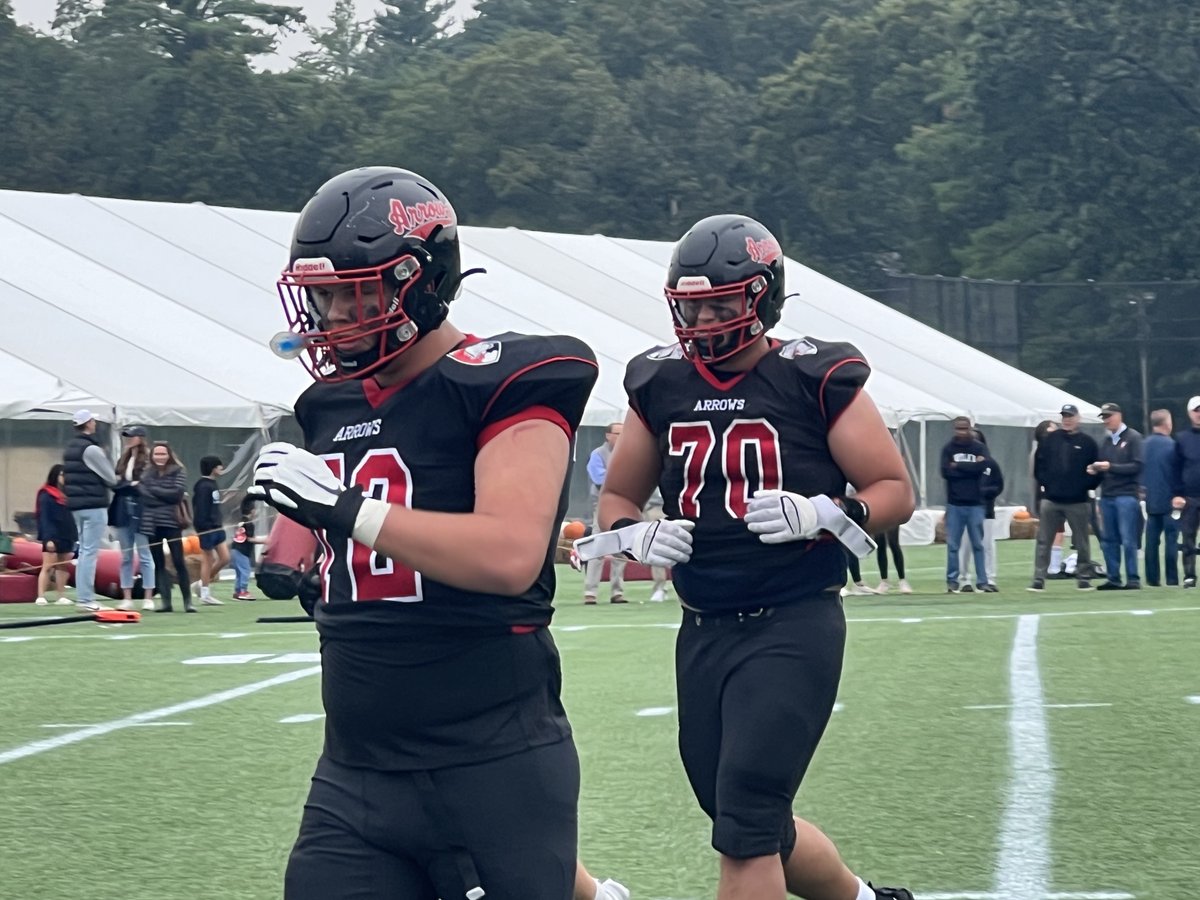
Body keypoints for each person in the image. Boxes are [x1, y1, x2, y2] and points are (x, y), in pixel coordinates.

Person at [247, 166, 604, 900]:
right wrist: (308, 560)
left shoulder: (507, 376)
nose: (337, 313)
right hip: (355, 768)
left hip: (488, 764)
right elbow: (355, 550)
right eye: (324, 294)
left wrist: (347, 512)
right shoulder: (327, 402)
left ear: (423, 280)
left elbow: (510, 555)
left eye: (359, 290)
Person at [587, 214, 914, 900]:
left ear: (762, 298)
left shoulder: (812, 374)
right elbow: (617, 496)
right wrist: (634, 533)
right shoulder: (658, 381)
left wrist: (828, 512)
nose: (703, 319)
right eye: (693, 303)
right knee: (743, 815)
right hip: (702, 624)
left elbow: (893, 491)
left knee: (745, 820)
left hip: (791, 620)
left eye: (720, 303)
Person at [1030, 404, 1098, 591]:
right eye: (1064, 416)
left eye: (1070, 416)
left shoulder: (1087, 442)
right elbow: (1039, 466)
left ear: (1078, 418)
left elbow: (1096, 469)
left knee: (1082, 541)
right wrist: (1048, 485)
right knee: (1044, 540)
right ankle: (1039, 577)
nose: (1067, 419)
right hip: (1052, 499)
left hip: (1078, 500)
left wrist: (1086, 486)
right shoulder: (1050, 440)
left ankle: (1083, 576)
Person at [62, 409, 119, 610]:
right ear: (89, 423)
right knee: (89, 552)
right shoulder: (91, 449)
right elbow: (111, 477)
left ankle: (83, 597)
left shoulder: (70, 448)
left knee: (84, 551)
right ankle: (86, 599)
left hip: (77, 506)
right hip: (93, 504)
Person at [1090, 402, 1143, 589]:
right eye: (1104, 417)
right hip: (1108, 495)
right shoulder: (1105, 441)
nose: (1106, 421)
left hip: (1126, 495)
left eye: (1109, 416)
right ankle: (1113, 577)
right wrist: (1095, 469)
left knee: (1128, 539)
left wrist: (1110, 467)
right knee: (1108, 539)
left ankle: (1133, 578)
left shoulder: (1134, 437)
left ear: (1119, 415)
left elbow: (1137, 466)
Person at [139, 441, 194, 613]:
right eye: (157, 454)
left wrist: (155, 491)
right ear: (152, 456)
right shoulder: (146, 473)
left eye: (163, 454)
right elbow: (143, 495)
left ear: (169, 455)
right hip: (151, 522)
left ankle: (188, 602)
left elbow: (176, 494)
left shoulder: (179, 471)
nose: (160, 457)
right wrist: (163, 494)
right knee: (158, 563)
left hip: (172, 521)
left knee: (178, 561)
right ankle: (166, 602)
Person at [940, 416, 988, 593]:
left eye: (964, 429)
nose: (961, 432)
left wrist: (957, 466)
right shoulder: (948, 448)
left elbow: (983, 468)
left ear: (970, 429)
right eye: (958, 429)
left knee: (978, 544)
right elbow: (945, 472)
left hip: (975, 503)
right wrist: (968, 468)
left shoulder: (979, 447)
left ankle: (982, 580)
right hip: (954, 503)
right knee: (953, 545)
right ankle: (952, 580)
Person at [110, 425, 156, 611]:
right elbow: (117, 482)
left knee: (145, 554)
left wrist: (129, 485)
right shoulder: (124, 458)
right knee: (126, 555)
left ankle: (148, 596)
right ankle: (127, 596)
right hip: (123, 507)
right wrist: (129, 484)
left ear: (141, 438)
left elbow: (145, 483)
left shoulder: (148, 458)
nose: (128, 439)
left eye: (132, 436)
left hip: (141, 508)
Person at [583, 423, 627, 604]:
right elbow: (598, 477)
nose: (621, 436)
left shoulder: (629, 454)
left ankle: (617, 592)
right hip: (602, 504)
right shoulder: (598, 454)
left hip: (624, 504)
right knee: (598, 546)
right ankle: (590, 592)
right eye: (618, 433)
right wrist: (620, 476)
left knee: (622, 548)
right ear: (608, 435)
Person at [956, 428, 1003, 592]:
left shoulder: (990, 464)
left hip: (986, 511)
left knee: (987, 545)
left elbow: (998, 485)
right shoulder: (960, 464)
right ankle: (964, 580)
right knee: (965, 546)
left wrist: (984, 494)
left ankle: (989, 579)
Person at [1141, 409, 1179, 587]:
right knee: (1171, 541)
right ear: (1167, 423)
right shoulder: (1173, 446)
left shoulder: (1143, 445)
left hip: (1151, 500)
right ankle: (1171, 579)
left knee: (1151, 542)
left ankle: (1152, 579)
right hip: (1171, 501)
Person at [35, 464, 77, 606]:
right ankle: (41, 595)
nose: (65, 478)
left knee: (63, 567)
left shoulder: (67, 495)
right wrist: (48, 538)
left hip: (66, 533)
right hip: (52, 534)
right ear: (55, 476)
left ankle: (61, 595)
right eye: (62, 475)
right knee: (48, 566)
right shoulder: (46, 494)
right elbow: (45, 518)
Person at [1170, 396, 1200, 589]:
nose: (1199, 414)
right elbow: (1175, 469)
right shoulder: (1182, 438)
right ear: (1190, 413)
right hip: (1189, 497)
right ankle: (1189, 576)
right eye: (1196, 410)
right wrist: (1177, 494)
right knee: (1188, 537)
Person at [193, 455, 229, 605]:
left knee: (225, 558)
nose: (222, 469)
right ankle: (205, 593)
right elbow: (200, 509)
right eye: (219, 466)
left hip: (217, 527)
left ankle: (201, 583)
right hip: (207, 528)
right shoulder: (203, 486)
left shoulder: (213, 484)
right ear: (213, 468)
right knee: (208, 560)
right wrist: (202, 528)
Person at [230, 496, 265, 600]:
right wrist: (265, 541)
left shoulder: (241, 521)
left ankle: (237, 591)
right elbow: (249, 539)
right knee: (245, 570)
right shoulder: (249, 524)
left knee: (239, 571)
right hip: (242, 551)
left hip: (234, 549)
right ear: (252, 511)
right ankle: (243, 591)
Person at [873, 527, 910, 594]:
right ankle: (884, 581)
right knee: (880, 544)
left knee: (893, 542)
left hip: (891, 517)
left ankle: (902, 580)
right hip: (877, 517)